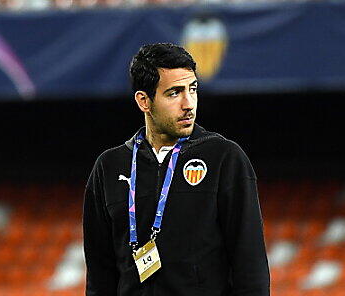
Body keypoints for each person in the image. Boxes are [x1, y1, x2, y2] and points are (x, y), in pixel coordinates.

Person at [83, 43, 269, 295]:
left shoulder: (224, 158)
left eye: (192, 89)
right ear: (143, 101)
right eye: (174, 93)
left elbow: (250, 265)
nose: (188, 103)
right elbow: (99, 274)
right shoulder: (109, 167)